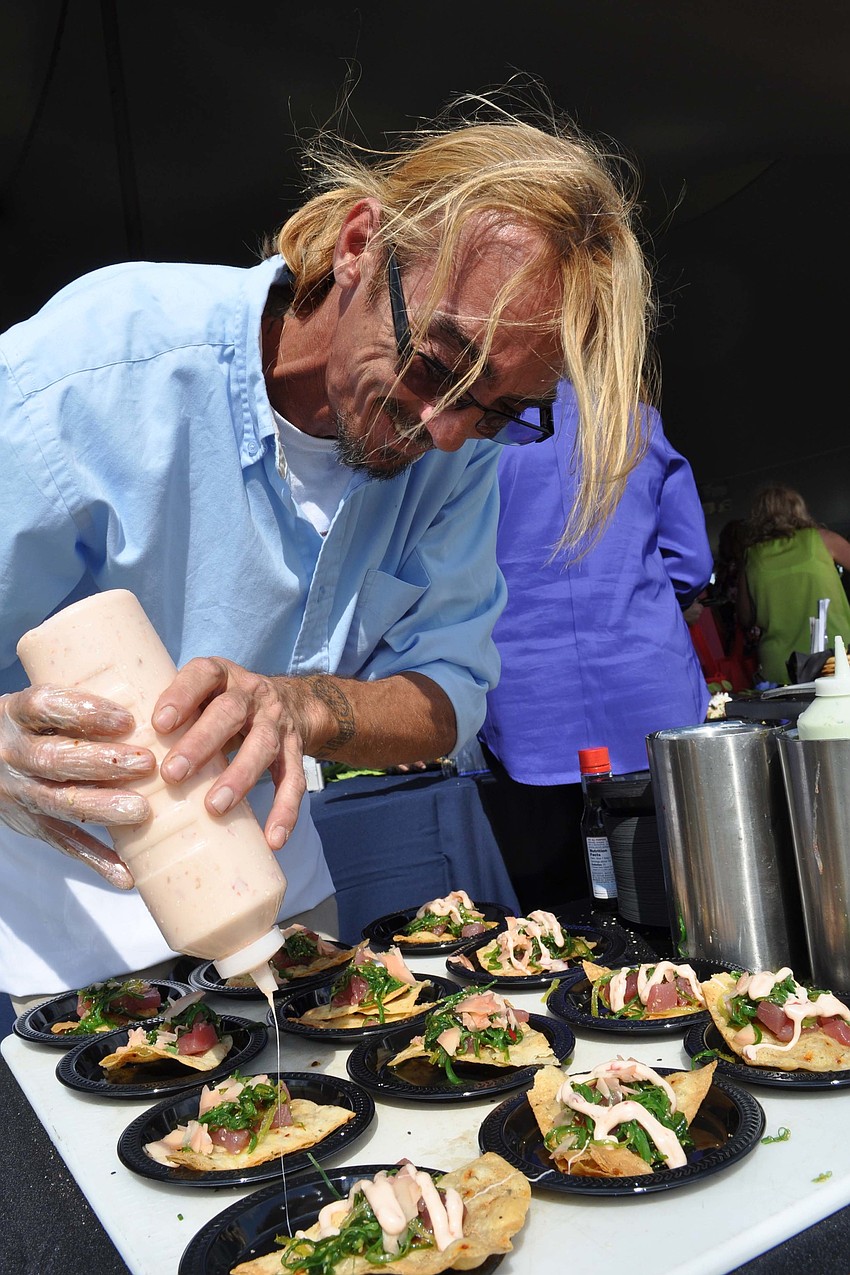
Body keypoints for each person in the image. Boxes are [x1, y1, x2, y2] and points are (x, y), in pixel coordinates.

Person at [0, 100, 653, 998]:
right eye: (436, 362)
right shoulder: (89, 375)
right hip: (61, 944)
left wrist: (299, 705)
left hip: (284, 913)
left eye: (498, 409)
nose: (448, 430)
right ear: (356, 244)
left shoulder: (455, 452)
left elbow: (448, 697)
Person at [479, 382, 711, 909]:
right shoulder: (636, 422)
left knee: (558, 921)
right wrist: (632, 603)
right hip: (650, 691)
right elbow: (692, 559)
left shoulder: (480, 435)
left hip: (527, 706)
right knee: (682, 898)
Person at [738, 484, 850, 686]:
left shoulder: (751, 557)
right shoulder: (823, 539)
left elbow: (745, 617)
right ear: (799, 508)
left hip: (779, 665)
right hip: (834, 658)